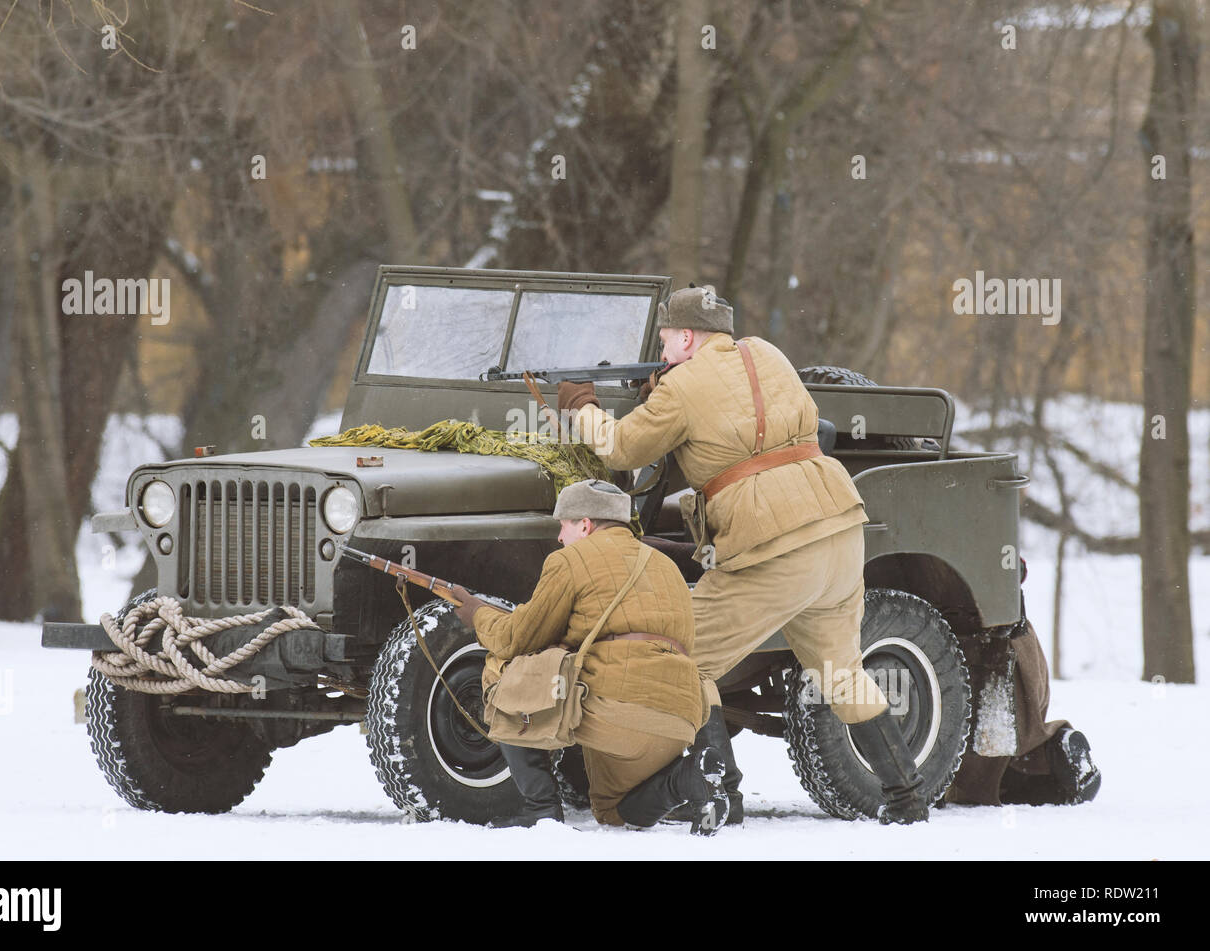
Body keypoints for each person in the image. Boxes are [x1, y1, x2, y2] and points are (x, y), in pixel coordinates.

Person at [559, 285, 929, 825]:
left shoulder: (681, 385)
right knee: (842, 671)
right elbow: (746, 415)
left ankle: (722, 794)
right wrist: (668, 389)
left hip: (773, 544)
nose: (662, 353)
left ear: (687, 336)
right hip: (840, 527)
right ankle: (906, 799)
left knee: (684, 657)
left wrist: (582, 406)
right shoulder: (769, 354)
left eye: (665, 341)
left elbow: (620, 448)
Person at [449, 479, 729, 833]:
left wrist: (476, 612)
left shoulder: (569, 559)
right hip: (680, 719)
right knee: (614, 811)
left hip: (619, 712)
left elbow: (515, 639)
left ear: (585, 523)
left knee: (504, 667)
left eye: (563, 525)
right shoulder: (666, 567)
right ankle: (687, 778)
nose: (559, 537)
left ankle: (541, 807)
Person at [944, 615, 1101, 807]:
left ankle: (1039, 765)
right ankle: (1048, 756)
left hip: (980, 656)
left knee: (972, 772)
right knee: (1004, 750)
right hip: (1018, 643)